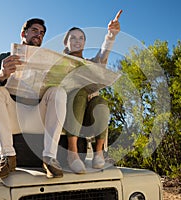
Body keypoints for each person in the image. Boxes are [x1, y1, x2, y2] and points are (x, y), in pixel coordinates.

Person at [0, 18, 67, 179]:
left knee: (59, 92)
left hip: (38, 116)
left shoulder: (48, 61)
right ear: (24, 33)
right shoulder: (3, 57)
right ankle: (8, 158)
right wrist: (3, 74)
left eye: (42, 33)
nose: (39, 35)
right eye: (35, 31)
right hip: (12, 116)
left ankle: (49, 158)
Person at [63, 10, 122, 173]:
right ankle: (72, 153)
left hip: (89, 116)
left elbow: (103, 56)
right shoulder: (59, 63)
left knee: (101, 103)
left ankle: (98, 153)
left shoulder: (91, 63)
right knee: (78, 93)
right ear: (66, 43)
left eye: (81, 38)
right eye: (73, 38)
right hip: (69, 111)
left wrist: (111, 35)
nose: (77, 41)